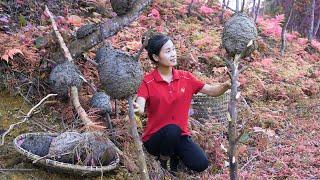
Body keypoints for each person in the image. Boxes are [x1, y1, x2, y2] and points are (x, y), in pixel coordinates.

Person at [134, 34, 231, 173]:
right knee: (172, 129)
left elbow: (211, 90)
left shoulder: (186, 77)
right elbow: (140, 106)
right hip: (155, 139)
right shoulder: (148, 81)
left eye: (173, 49)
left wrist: (226, 85)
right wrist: (136, 109)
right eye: (168, 51)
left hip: (179, 136)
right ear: (156, 57)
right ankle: (163, 160)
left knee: (201, 164)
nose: (173, 54)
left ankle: (174, 155)